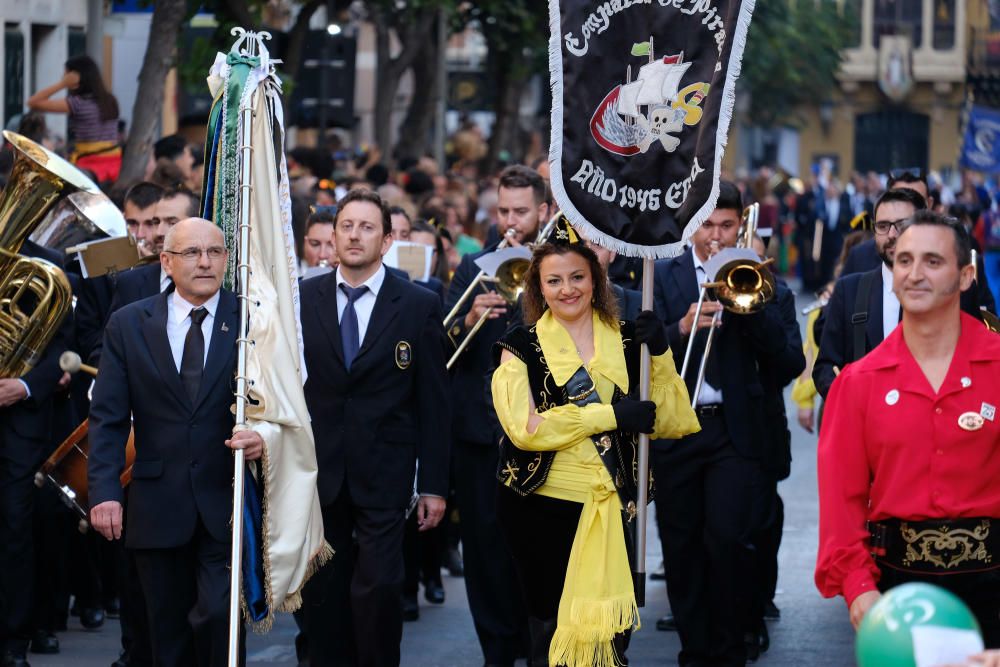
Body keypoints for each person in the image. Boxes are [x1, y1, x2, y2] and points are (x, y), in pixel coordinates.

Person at [491, 224, 699, 667]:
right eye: (554, 280)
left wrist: (660, 353)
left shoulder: (628, 338)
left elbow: (674, 419)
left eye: (578, 277)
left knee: (612, 636)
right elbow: (525, 429)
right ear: (538, 289)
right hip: (540, 510)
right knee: (549, 635)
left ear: (596, 280)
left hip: (613, 505)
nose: (567, 289)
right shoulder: (518, 347)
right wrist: (609, 416)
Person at [816, 211, 1000, 647]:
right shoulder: (858, 384)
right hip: (896, 594)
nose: (915, 274)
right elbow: (842, 505)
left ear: (966, 275)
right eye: (904, 261)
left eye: (933, 261)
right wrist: (859, 589)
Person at [87, 218, 264, 666]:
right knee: (166, 636)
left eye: (215, 252)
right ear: (166, 261)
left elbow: (279, 403)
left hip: (225, 503)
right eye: (191, 253)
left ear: (227, 259)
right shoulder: (128, 324)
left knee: (219, 624)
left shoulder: (251, 319)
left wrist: (264, 435)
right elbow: (107, 418)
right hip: (155, 505)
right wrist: (105, 493)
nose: (204, 262)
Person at [651, 180, 805, 666]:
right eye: (705, 225)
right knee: (681, 546)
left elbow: (788, 364)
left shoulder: (760, 279)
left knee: (729, 542)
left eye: (725, 225)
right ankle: (695, 650)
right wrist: (679, 329)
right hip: (677, 427)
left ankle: (729, 649)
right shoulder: (661, 276)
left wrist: (749, 310)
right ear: (689, 225)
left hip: (734, 433)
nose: (714, 237)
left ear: (741, 225)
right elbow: (634, 355)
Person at [298, 188, 450, 666]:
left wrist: (433, 487)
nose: (355, 236)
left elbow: (434, 404)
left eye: (367, 227)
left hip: (386, 473)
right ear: (334, 235)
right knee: (322, 595)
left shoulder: (417, 304)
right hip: (319, 475)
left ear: (386, 241)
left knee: (380, 590)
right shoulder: (301, 299)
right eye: (347, 226)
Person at [445, 165, 551, 666]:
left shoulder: (559, 264)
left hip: (540, 433)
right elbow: (442, 345)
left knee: (534, 551)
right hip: (481, 435)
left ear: (544, 212)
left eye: (521, 212)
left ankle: (537, 649)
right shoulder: (474, 266)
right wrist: (468, 317)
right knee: (484, 552)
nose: (511, 221)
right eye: (503, 210)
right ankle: (496, 654)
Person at [0, 240, 72, 667]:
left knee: (13, 527)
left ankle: (13, 639)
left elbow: (61, 349)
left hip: (18, 423)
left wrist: (24, 386)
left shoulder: (47, 263)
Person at [813, 188, 927, 399]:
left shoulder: (948, 290)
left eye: (902, 225)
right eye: (883, 226)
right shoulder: (849, 290)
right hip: (863, 424)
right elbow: (825, 366)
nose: (892, 235)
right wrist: (846, 399)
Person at [27, 55, 121, 183]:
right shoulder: (110, 100)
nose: (63, 78)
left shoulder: (77, 103)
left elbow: (33, 102)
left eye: (66, 75)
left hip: (89, 165)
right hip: (113, 163)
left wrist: (62, 84)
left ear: (76, 77)